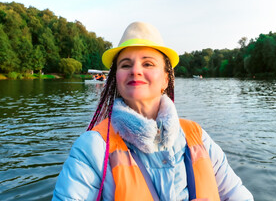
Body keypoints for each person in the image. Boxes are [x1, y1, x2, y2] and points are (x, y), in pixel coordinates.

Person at [53, 22, 254, 201]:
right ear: (117, 78)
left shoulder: (197, 137)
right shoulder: (93, 147)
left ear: (166, 79)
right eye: (126, 64)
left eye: (148, 63)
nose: (135, 70)